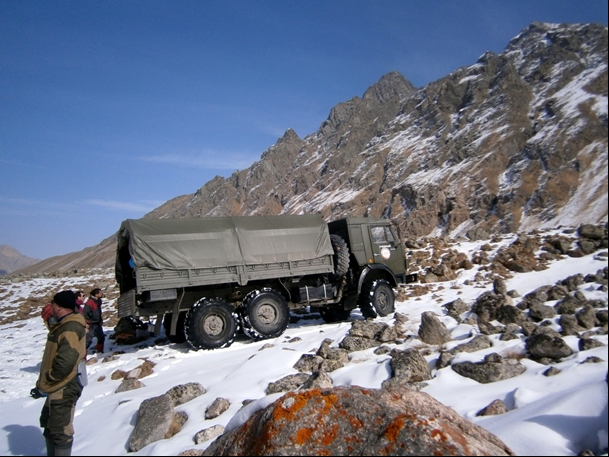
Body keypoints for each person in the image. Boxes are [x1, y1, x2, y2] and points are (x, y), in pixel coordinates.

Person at [31, 290, 86, 457]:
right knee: (51, 425)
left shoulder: (70, 327)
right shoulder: (65, 324)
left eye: (53, 303)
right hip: (57, 385)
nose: (51, 306)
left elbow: (66, 360)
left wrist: (50, 379)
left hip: (63, 385)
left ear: (60, 307)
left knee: (61, 430)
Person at [83, 288, 105, 353]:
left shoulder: (98, 301)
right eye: (100, 293)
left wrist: (100, 320)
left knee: (101, 337)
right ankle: (82, 356)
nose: (102, 294)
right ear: (96, 294)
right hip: (90, 324)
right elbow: (85, 313)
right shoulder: (89, 302)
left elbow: (99, 312)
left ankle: (100, 352)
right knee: (88, 341)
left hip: (97, 323)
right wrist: (88, 322)